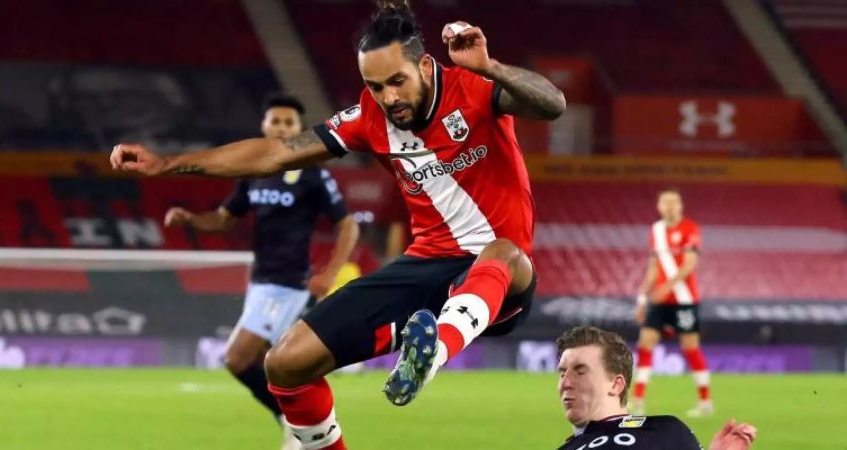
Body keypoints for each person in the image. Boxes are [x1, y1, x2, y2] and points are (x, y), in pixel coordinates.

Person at [111, 2, 566, 448]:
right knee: (285, 363)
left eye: (397, 82)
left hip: (500, 279)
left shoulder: (475, 88)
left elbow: (552, 105)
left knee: (504, 250)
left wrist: (491, 66)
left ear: (426, 66)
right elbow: (275, 153)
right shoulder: (369, 117)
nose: (388, 98)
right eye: (375, 86)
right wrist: (169, 162)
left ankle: (430, 355)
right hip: (425, 268)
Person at [163, 95, 359, 450]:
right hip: (260, 281)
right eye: (276, 121)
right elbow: (224, 219)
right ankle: (305, 426)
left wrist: (330, 273)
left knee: (237, 358)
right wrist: (190, 219)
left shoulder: (314, 173)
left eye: (289, 123)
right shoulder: (254, 172)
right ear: (264, 125)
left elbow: (348, 225)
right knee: (278, 365)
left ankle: (292, 422)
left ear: (299, 130)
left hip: (287, 283)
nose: (281, 127)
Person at [556, 326, 756, 450]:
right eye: (562, 373)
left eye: (580, 372)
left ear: (616, 384)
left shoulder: (667, 430)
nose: (565, 383)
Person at [632, 189, 711, 417]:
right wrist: (642, 298)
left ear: (681, 206)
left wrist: (666, 286)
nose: (669, 207)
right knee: (646, 342)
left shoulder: (690, 229)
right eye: (665, 203)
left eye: (674, 203)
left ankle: (705, 401)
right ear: (658, 206)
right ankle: (637, 399)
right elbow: (653, 268)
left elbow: (689, 265)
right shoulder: (655, 231)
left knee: (690, 347)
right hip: (659, 300)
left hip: (684, 299)